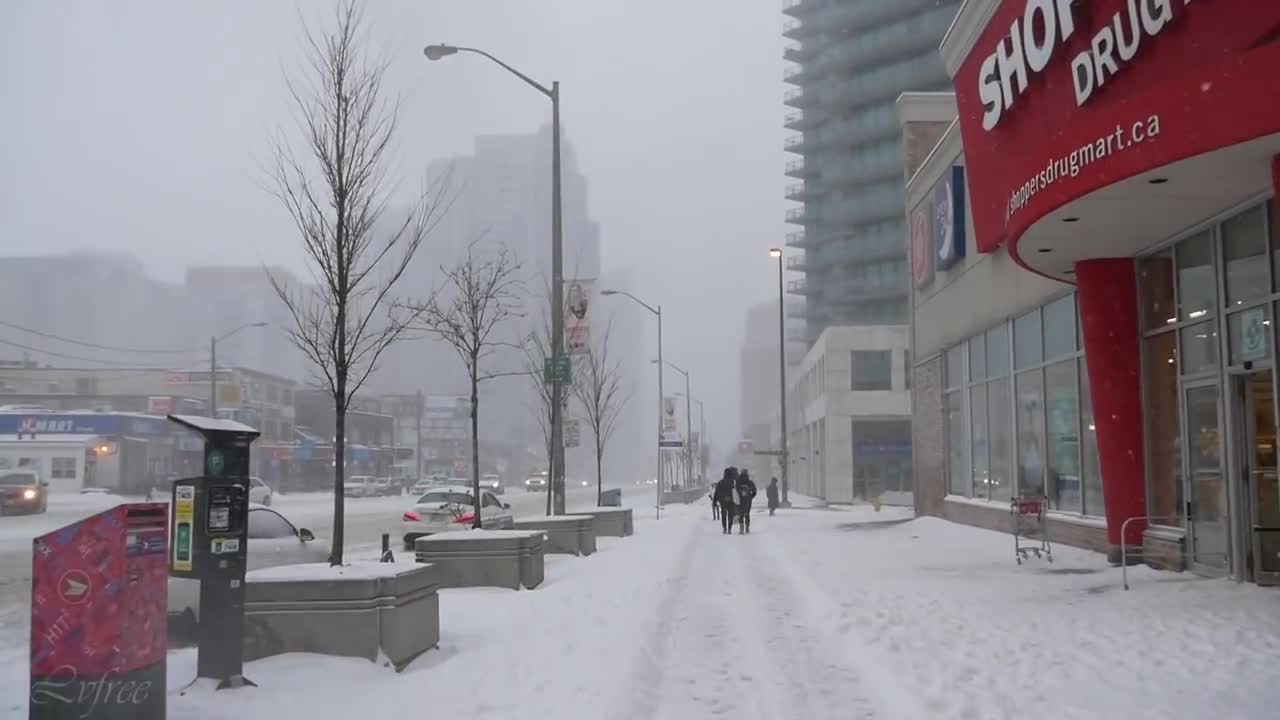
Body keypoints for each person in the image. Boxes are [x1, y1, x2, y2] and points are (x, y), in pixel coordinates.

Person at [713, 467, 738, 534]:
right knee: (730, 515)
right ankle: (729, 528)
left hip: (723, 501)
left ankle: (724, 528)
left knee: (724, 514)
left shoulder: (720, 482)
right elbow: (736, 491)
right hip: (731, 500)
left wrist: (714, 502)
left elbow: (716, 492)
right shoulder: (733, 482)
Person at [736, 470, 758, 534]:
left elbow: (736, 490)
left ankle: (741, 528)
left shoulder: (738, 482)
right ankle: (747, 527)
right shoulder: (750, 482)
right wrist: (751, 496)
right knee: (747, 514)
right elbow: (754, 490)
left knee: (741, 514)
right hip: (748, 500)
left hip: (740, 500)